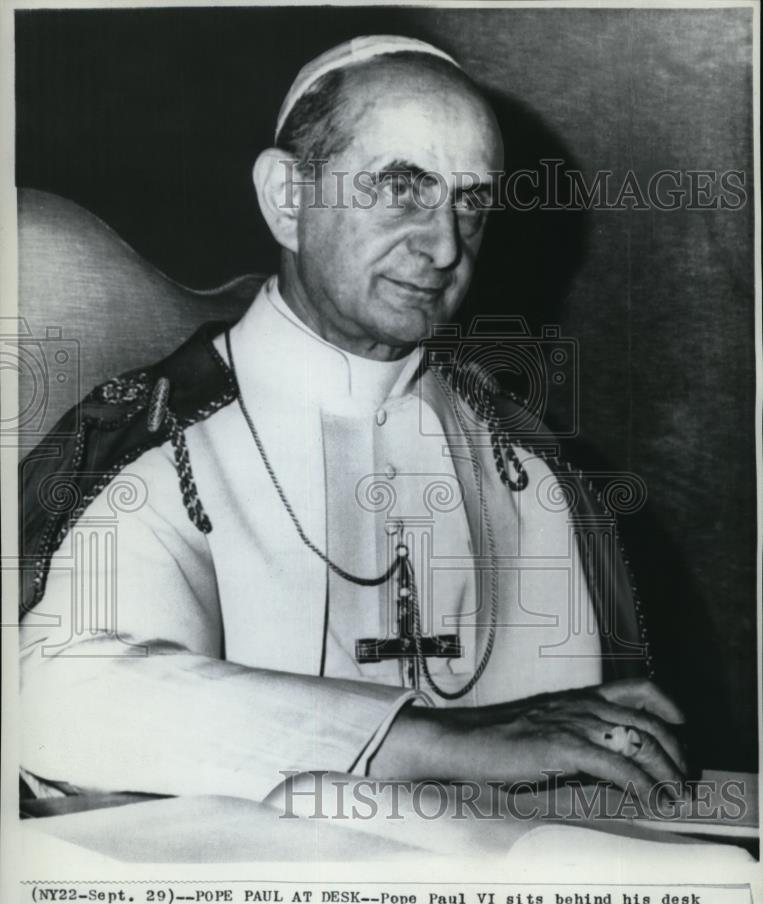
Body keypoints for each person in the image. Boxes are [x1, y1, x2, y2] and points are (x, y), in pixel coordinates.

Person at [19, 35, 687, 808]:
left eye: (469, 202)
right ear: (288, 200)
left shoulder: (525, 465)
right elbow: (54, 697)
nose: (443, 247)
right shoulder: (158, 442)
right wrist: (438, 742)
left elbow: (575, 769)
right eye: (402, 188)